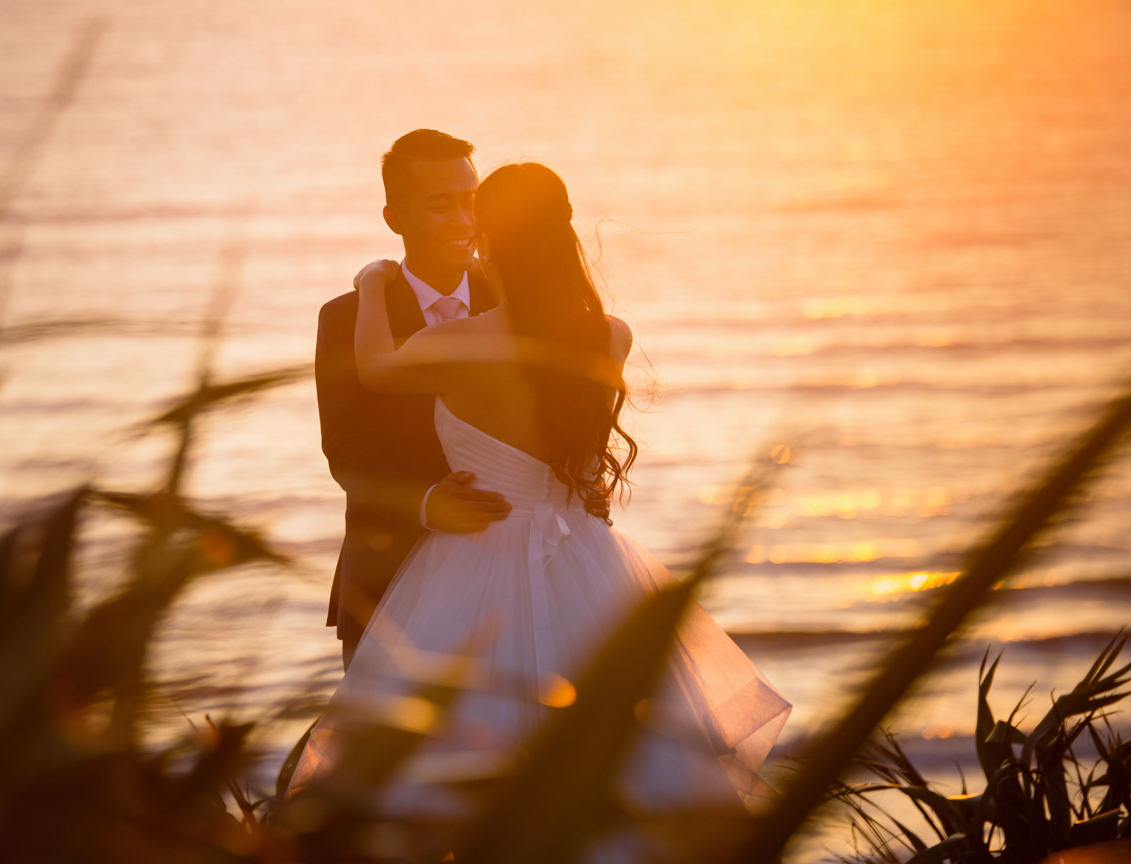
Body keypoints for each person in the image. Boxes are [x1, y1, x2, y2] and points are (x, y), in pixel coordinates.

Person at [293, 162, 790, 843]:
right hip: (589, 558)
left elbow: (377, 365)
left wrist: (371, 284)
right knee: (622, 748)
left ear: (492, 240)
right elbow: (583, 463)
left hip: (472, 562)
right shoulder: (610, 335)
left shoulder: (459, 344)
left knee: (447, 769)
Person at [315, 129, 610, 671]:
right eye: (440, 206)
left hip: (539, 573)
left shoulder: (525, 300)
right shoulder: (346, 318)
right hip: (391, 579)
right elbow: (346, 452)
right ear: (395, 218)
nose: (464, 220)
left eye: (472, 202)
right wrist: (427, 503)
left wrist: (583, 478)